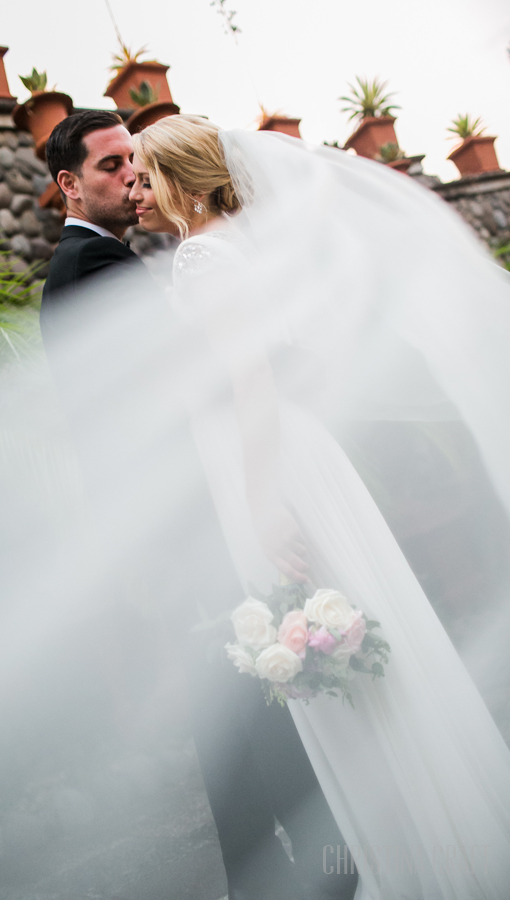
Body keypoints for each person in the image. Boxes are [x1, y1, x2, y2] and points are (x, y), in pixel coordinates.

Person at [129, 114, 510, 899]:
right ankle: (435, 828)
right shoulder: (253, 247)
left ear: (184, 180)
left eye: (145, 171)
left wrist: (264, 500)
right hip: (305, 455)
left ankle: (415, 856)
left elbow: (250, 382)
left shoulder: (202, 256)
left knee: (328, 639)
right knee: (357, 634)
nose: (137, 187)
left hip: (268, 467)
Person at [41, 110, 356, 900]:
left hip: (214, 503)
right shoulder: (87, 268)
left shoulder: (143, 259)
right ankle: (299, 864)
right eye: (113, 166)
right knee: (242, 698)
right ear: (69, 184)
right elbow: (122, 420)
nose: (131, 179)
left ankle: (301, 863)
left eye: (137, 164)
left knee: (251, 697)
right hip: (184, 522)